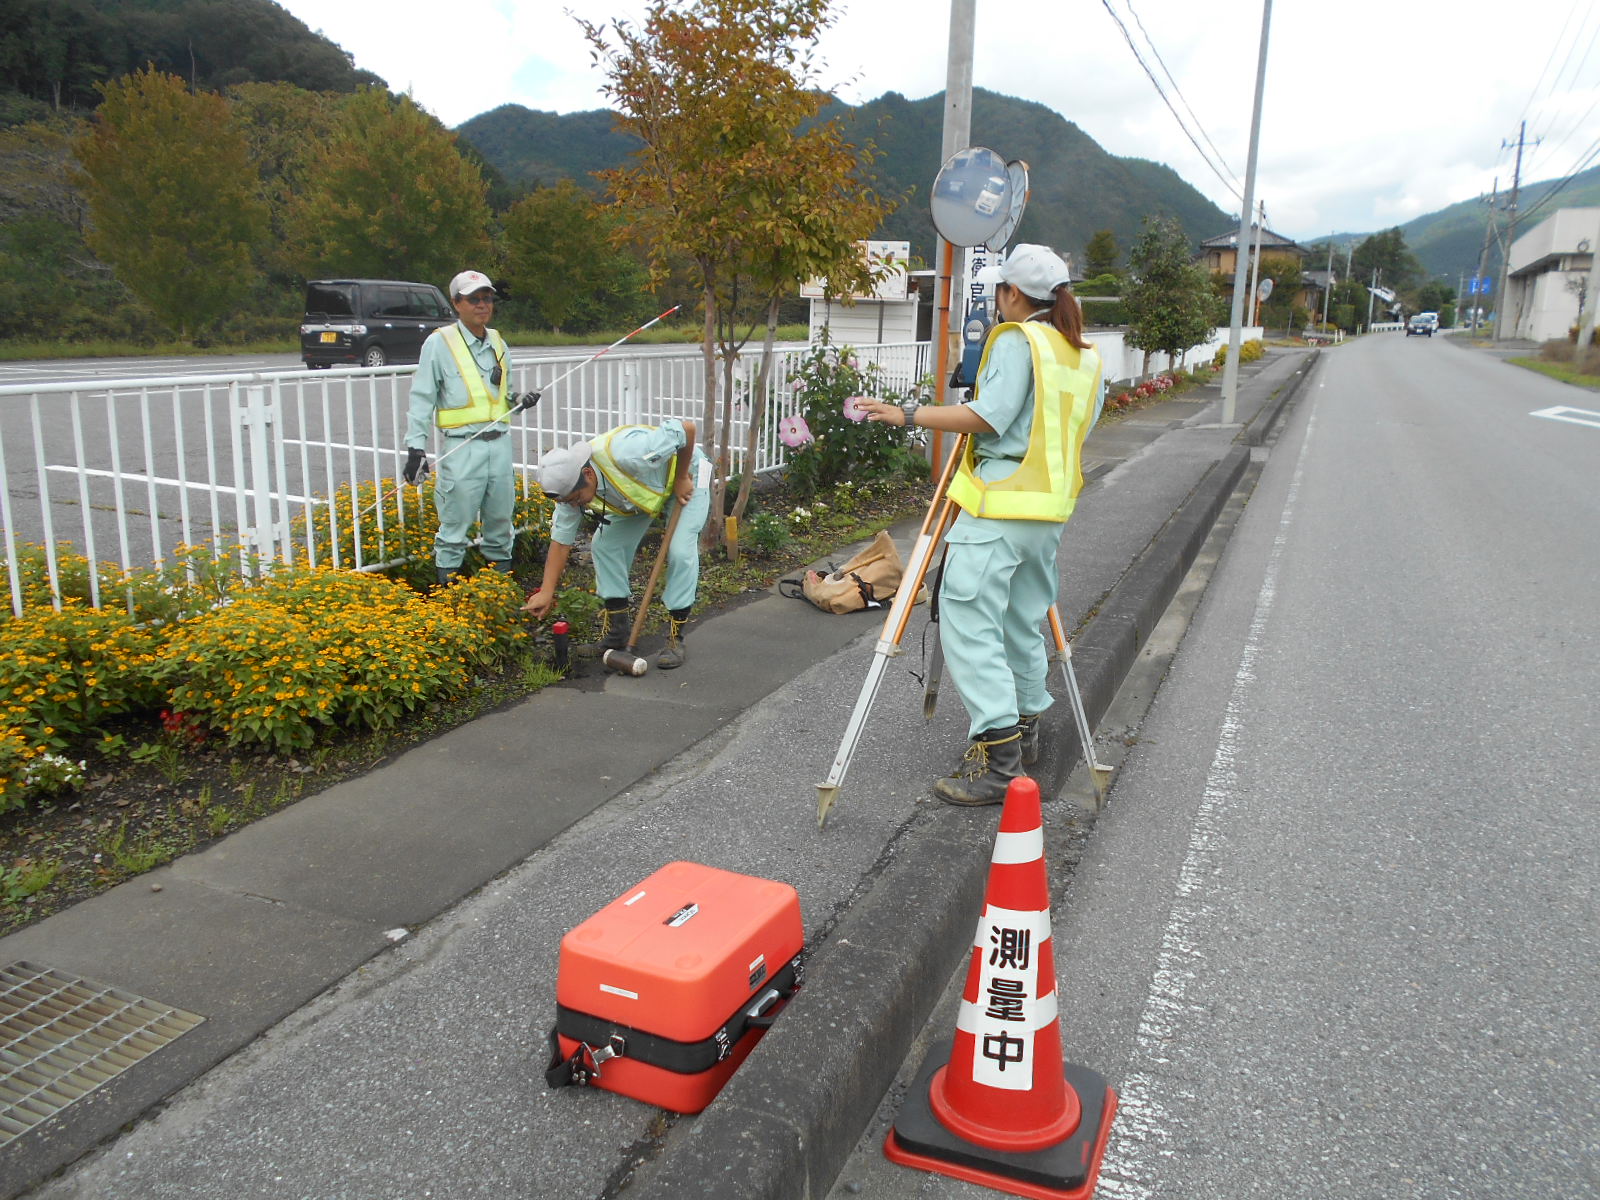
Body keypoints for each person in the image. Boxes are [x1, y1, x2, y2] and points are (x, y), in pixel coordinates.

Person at [858, 244, 1105, 805]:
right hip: (1048, 514)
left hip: (1000, 509)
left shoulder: (1019, 341)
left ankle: (999, 764)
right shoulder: (1082, 354)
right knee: (1020, 622)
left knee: (968, 624)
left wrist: (908, 413)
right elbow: (1077, 427)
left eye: (999, 291)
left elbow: (986, 417)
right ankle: (1028, 729)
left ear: (1011, 293)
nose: (996, 301)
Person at [522, 419, 710, 670]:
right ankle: (617, 634)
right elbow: (561, 542)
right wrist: (546, 591)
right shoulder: (570, 490)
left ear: (587, 474)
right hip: (641, 494)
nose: (574, 505)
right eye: (568, 502)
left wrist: (681, 476)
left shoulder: (629, 453)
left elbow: (686, 429)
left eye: (576, 499)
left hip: (687, 476)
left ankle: (676, 636)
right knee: (604, 544)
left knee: (680, 552)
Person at [403, 269, 537, 585]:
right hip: (462, 447)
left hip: (500, 446)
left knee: (501, 523)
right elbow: (422, 397)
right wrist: (415, 448)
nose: (482, 305)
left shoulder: (497, 341)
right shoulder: (439, 343)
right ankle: (448, 594)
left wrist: (518, 399)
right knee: (455, 525)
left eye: (486, 298)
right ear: (456, 303)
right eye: (473, 299)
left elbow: (503, 395)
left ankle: (499, 591)